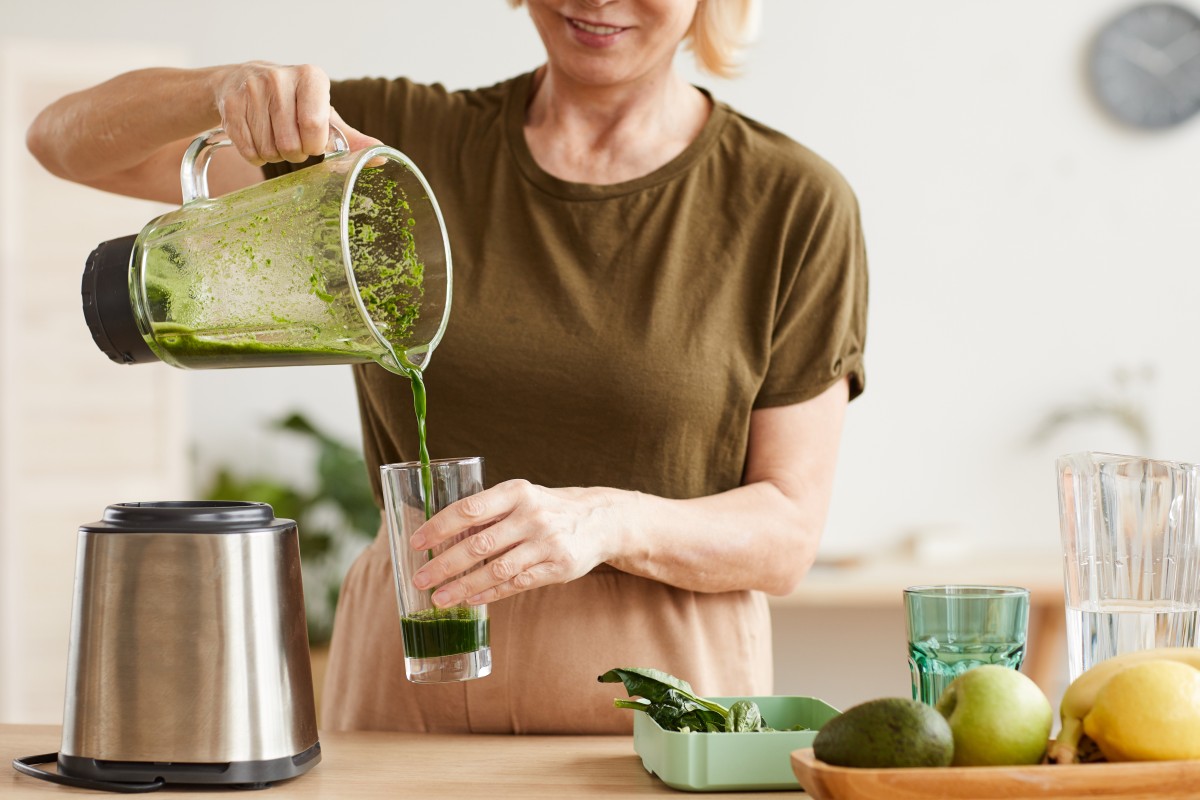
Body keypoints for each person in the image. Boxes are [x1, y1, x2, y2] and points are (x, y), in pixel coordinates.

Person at [28, 0, 867, 734]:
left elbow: (787, 535)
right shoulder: (380, 148)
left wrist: (607, 520)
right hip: (407, 680)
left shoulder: (789, 201)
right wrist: (220, 88)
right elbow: (62, 142)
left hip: (668, 707)